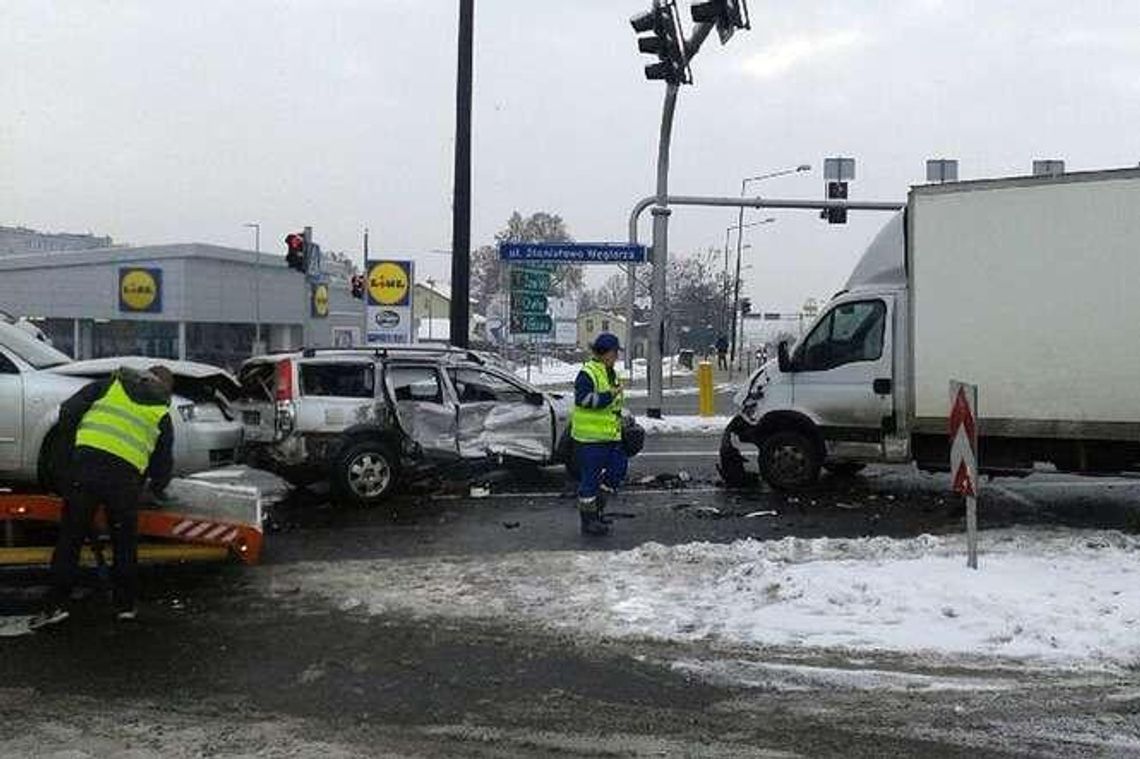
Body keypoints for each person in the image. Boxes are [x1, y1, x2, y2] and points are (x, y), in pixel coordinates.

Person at [31, 365, 175, 628]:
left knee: (70, 539)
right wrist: (154, 489)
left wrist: (66, 458)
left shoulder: (110, 385)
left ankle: (55, 606)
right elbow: (162, 463)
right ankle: (125, 607)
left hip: (84, 470)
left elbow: (68, 410)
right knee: (124, 543)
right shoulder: (161, 412)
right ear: (165, 389)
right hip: (124, 482)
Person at [572, 333, 627, 536]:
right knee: (589, 480)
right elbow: (584, 400)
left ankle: (598, 507)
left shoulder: (610, 372)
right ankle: (589, 520)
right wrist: (609, 395)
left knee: (618, 470)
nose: (617, 357)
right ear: (606, 353)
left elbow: (615, 406)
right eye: (615, 353)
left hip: (611, 436)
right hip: (590, 439)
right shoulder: (588, 373)